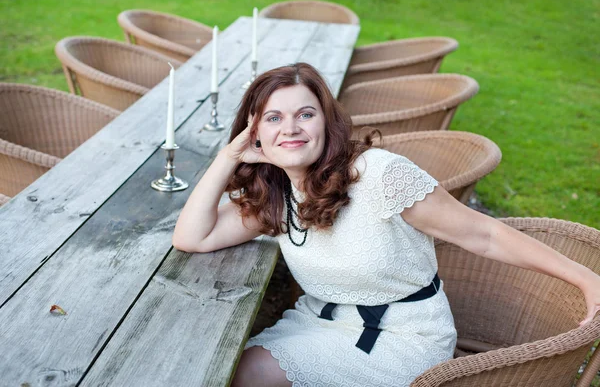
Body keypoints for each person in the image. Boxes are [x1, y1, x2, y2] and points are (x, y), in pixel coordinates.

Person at [173, 63, 600, 387]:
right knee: (220, 367)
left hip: (401, 338)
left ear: (327, 121)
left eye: (305, 114)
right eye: (272, 118)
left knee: (246, 373)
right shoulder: (278, 191)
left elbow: (484, 234)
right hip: (317, 324)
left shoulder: (380, 177)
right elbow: (192, 237)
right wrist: (226, 159)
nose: (290, 129)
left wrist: (586, 279)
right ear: (254, 134)